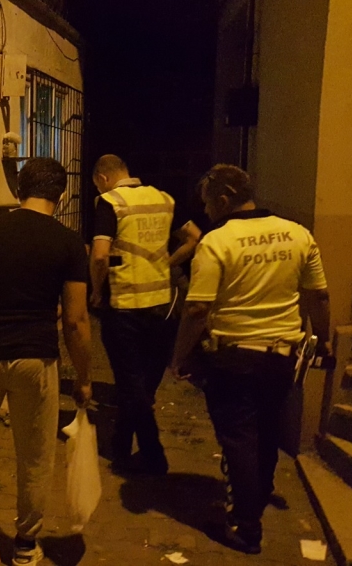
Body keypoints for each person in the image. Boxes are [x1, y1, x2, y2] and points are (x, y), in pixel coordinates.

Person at [165, 164, 332, 554]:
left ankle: (244, 527)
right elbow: (318, 295)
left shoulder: (217, 242)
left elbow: (197, 309)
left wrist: (179, 357)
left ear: (224, 200)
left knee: (238, 438)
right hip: (282, 356)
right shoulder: (297, 234)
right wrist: (323, 340)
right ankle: (258, 492)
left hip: (234, 357)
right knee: (267, 431)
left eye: (208, 204)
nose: (206, 212)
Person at [0, 157, 93, 566]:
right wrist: (83, 377)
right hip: (35, 358)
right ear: (61, 195)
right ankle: (26, 547)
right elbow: (76, 321)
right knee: (36, 454)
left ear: (19, 189)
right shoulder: (69, 243)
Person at [89, 154, 201, 475]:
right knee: (142, 384)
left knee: (130, 382)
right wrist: (167, 263)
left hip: (124, 304)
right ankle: (121, 445)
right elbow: (195, 237)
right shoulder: (163, 199)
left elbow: (100, 256)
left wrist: (96, 291)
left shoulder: (110, 202)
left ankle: (153, 453)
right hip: (163, 305)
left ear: (103, 178)